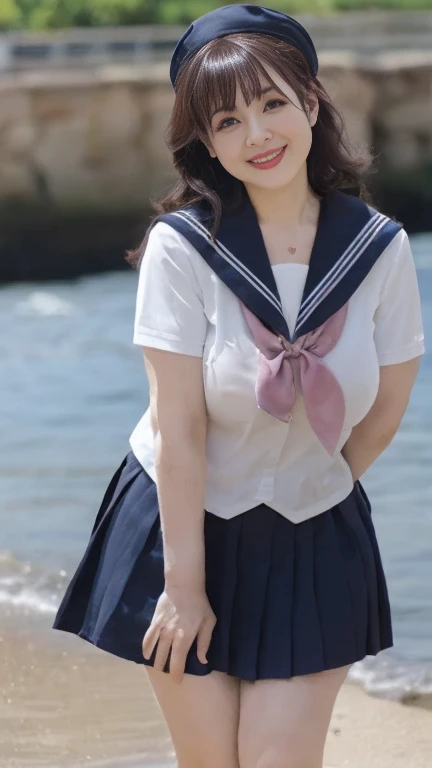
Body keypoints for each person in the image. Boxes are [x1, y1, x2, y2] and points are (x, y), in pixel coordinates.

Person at [53, 5, 425, 767]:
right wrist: (184, 587)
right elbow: (179, 426)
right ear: (206, 142)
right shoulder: (182, 250)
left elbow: (388, 407)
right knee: (211, 761)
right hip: (183, 524)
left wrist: (317, 487)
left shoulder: (378, 249)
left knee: (278, 759)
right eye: (226, 121)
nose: (255, 135)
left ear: (311, 104)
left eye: (272, 105)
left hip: (313, 533)